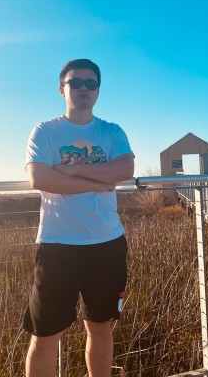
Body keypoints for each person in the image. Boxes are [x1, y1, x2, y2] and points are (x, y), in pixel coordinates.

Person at [22, 59, 134, 377]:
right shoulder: (45, 130)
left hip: (107, 244)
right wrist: (98, 181)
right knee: (45, 335)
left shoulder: (112, 131)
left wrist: (72, 170)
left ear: (98, 91)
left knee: (100, 327)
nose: (84, 88)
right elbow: (40, 178)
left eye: (91, 84)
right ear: (62, 89)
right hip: (58, 246)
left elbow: (125, 169)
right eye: (76, 83)